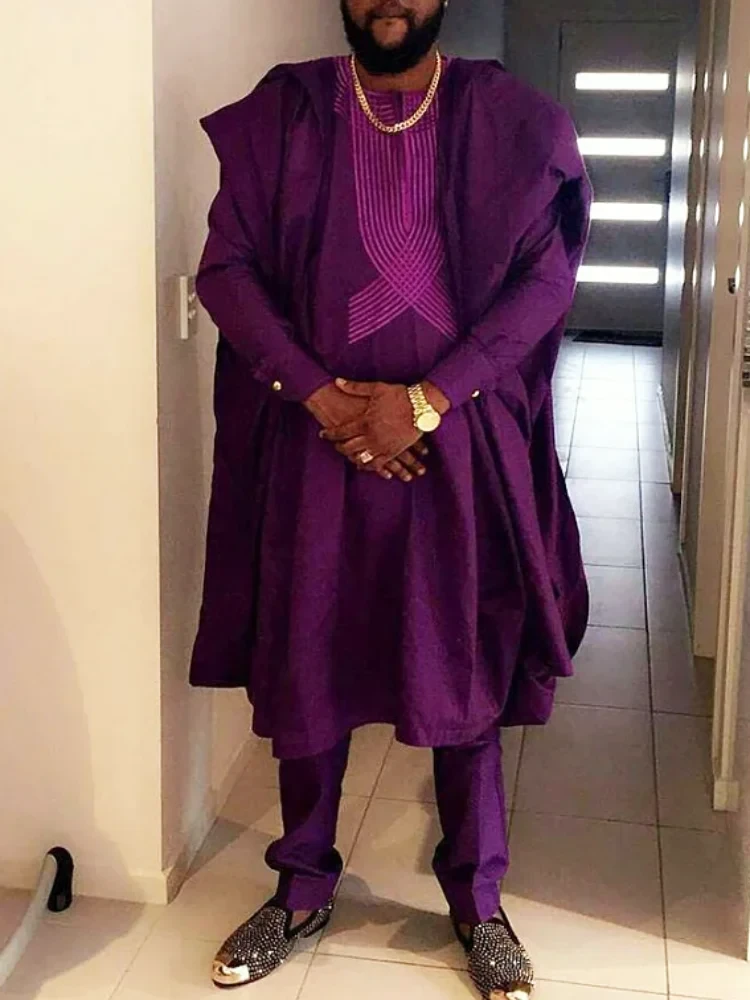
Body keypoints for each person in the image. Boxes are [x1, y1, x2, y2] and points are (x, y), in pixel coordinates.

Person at [189, 1, 593, 996]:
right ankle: (300, 888)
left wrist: (426, 400)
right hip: (316, 447)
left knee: (459, 665)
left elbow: (546, 278)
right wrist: (324, 399)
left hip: (455, 448)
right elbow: (226, 269)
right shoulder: (286, 115)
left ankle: (477, 901)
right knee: (308, 661)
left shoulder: (511, 121)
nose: (389, 2)